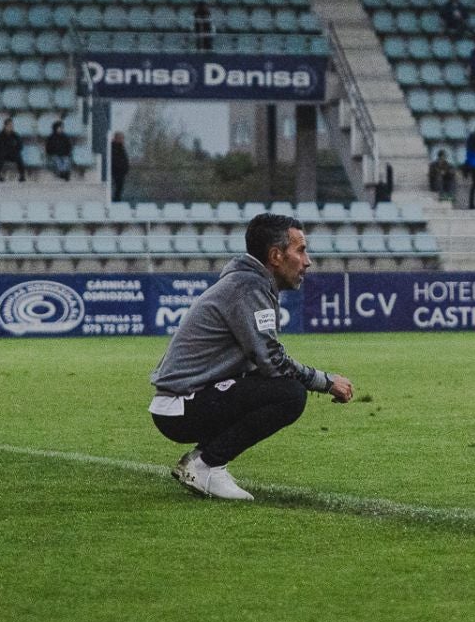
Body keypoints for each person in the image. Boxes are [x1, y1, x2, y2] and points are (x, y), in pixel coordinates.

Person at [147, 213, 354, 500]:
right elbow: (273, 361)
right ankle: (207, 465)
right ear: (276, 255)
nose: (307, 261)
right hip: (181, 405)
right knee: (289, 394)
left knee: (277, 386)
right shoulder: (249, 287)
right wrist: (326, 381)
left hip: (185, 400)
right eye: (301, 250)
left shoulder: (249, 283)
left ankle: (204, 460)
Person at [0, 118, 27, 182]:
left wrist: (14, 150)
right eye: (9, 125)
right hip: (2, 154)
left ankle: (22, 176)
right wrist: (0, 150)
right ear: (5, 126)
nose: (11, 127)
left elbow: (20, 146)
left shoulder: (16, 136)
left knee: (19, 157)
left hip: (12, 154)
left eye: (12, 126)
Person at [110, 130, 130, 201]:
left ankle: (117, 200)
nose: (122, 140)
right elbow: (115, 160)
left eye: (123, 138)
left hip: (121, 173)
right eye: (120, 138)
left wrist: (125, 169)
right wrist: (120, 167)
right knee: (116, 188)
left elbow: (124, 159)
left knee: (119, 189)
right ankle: (115, 201)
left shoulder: (121, 147)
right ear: (116, 138)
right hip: (116, 172)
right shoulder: (112, 147)